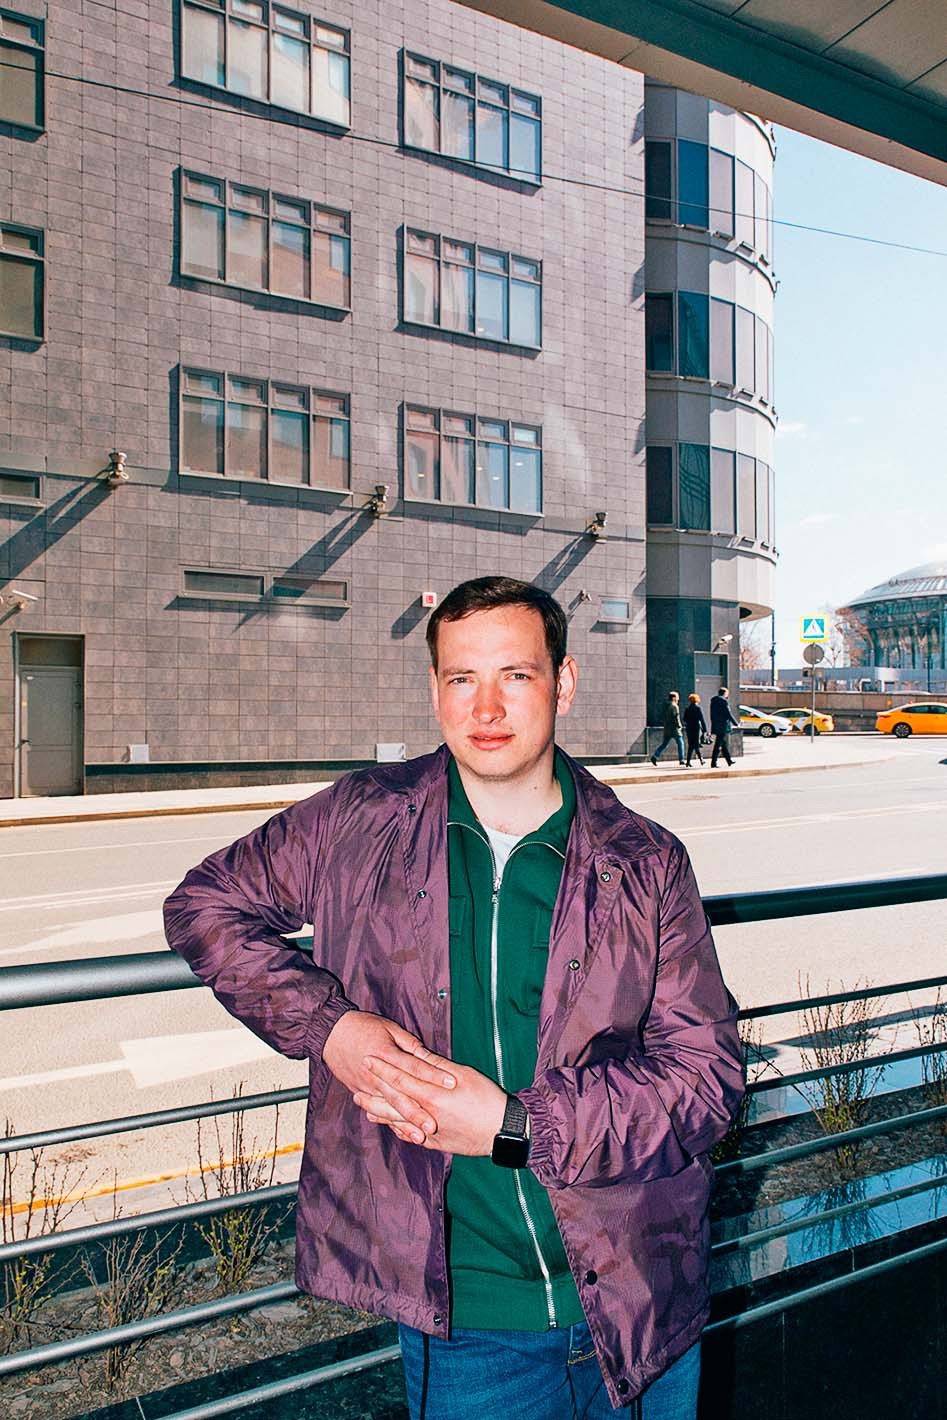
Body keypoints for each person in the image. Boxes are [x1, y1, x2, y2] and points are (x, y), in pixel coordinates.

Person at [164, 576, 743, 1419]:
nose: (487, 707)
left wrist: (514, 1126)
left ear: (562, 683)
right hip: (469, 1323)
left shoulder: (643, 860)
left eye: (515, 675)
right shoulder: (360, 820)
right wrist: (329, 1026)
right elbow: (204, 907)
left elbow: (704, 1080)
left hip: (642, 1297)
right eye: (462, 678)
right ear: (434, 689)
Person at [649, 690, 684, 766]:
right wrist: (679, 726)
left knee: (664, 744)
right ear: (674, 698)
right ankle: (681, 759)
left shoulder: (665, 706)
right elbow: (676, 717)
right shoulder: (674, 706)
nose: (678, 699)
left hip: (667, 728)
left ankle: (655, 756)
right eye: (677, 697)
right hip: (675, 728)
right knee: (680, 743)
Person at [709, 686, 740, 768]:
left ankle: (729, 760)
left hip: (716, 724)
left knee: (723, 744)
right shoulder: (724, 701)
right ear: (725, 693)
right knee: (718, 744)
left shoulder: (713, 701)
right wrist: (736, 723)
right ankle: (713, 763)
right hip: (723, 725)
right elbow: (728, 713)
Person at [682, 693, 707, 767]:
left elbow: (684, 719)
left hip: (689, 728)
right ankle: (701, 759)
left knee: (691, 744)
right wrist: (704, 729)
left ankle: (688, 762)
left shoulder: (687, 709)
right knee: (696, 744)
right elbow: (702, 719)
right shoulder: (698, 708)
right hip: (696, 727)